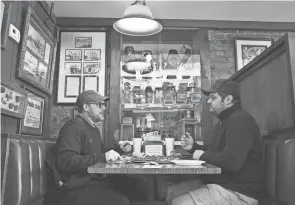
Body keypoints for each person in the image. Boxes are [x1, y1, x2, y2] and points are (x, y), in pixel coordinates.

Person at [167, 79, 264, 205]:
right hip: (221, 184)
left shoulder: (240, 121)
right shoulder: (224, 121)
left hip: (239, 194)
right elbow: (217, 152)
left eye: (213, 98)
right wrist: (193, 147)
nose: (208, 101)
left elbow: (232, 161)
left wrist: (202, 155)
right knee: (171, 192)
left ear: (228, 100)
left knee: (179, 202)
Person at [44, 90, 134, 205]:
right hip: (75, 188)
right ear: (86, 107)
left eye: (104, 105)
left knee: (136, 185)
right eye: (99, 105)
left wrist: (119, 149)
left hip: (93, 181)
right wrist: (103, 157)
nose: (104, 109)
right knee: (122, 201)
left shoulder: (93, 129)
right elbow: (66, 161)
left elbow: (98, 154)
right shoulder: (73, 127)